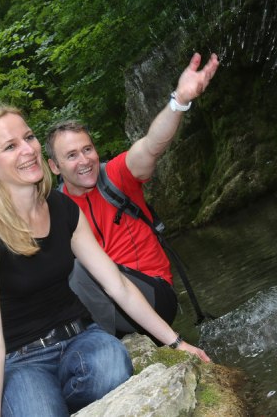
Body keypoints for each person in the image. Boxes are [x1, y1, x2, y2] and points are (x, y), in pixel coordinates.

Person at [0, 105, 210, 417]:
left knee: (113, 366)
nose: (28, 150)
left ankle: (45, 399)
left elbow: (117, 285)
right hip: (23, 358)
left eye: (29, 137)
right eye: (10, 146)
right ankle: (14, 400)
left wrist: (177, 343)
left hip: (80, 339)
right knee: (41, 411)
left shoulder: (63, 207)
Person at [45, 52, 219, 340]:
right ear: (54, 167)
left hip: (153, 295)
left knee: (79, 271)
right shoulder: (55, 209)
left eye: (87, 149)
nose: (84, 160)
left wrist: (179, 101)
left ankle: (97, 339)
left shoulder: (117, 176)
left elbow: (152, 146)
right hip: (104, 304)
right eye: (72, 155)